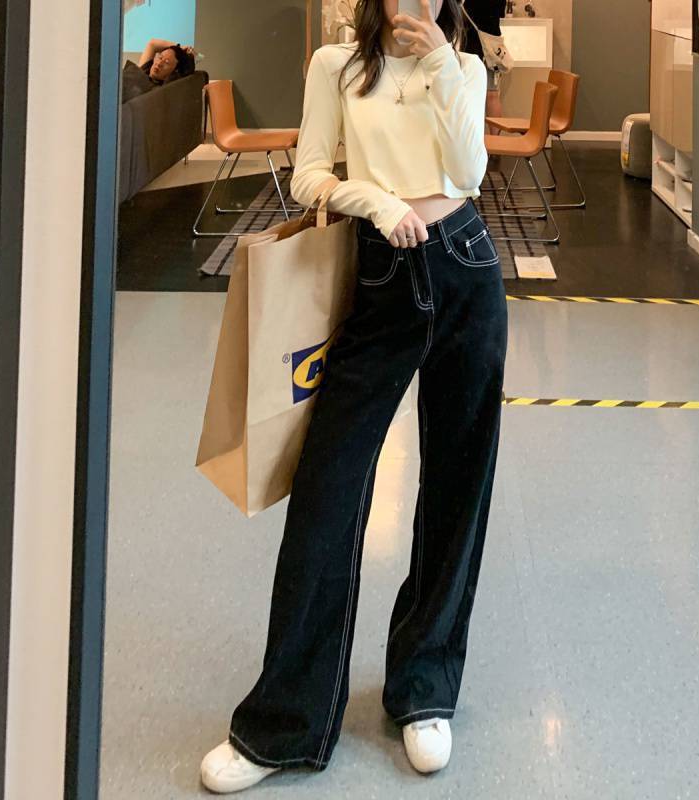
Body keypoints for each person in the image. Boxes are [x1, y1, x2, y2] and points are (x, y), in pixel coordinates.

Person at [200, 0, 507, 792]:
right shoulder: (335, 65)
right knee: (327, 492)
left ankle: (425, 686)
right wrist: (377, 202)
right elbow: (309, 174)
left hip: (467, 271)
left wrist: (440, 63)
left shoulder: (463, 67)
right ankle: (285, 723)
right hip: (380, 276)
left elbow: (470, 173)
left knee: (458, 485)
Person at [460, 0, 507, 133]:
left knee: (471, 95)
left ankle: (475, 137)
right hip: (491, 47)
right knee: (492, 95)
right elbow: (501, 14)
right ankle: (495, 141)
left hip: (472, 45)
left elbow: (464, 13)